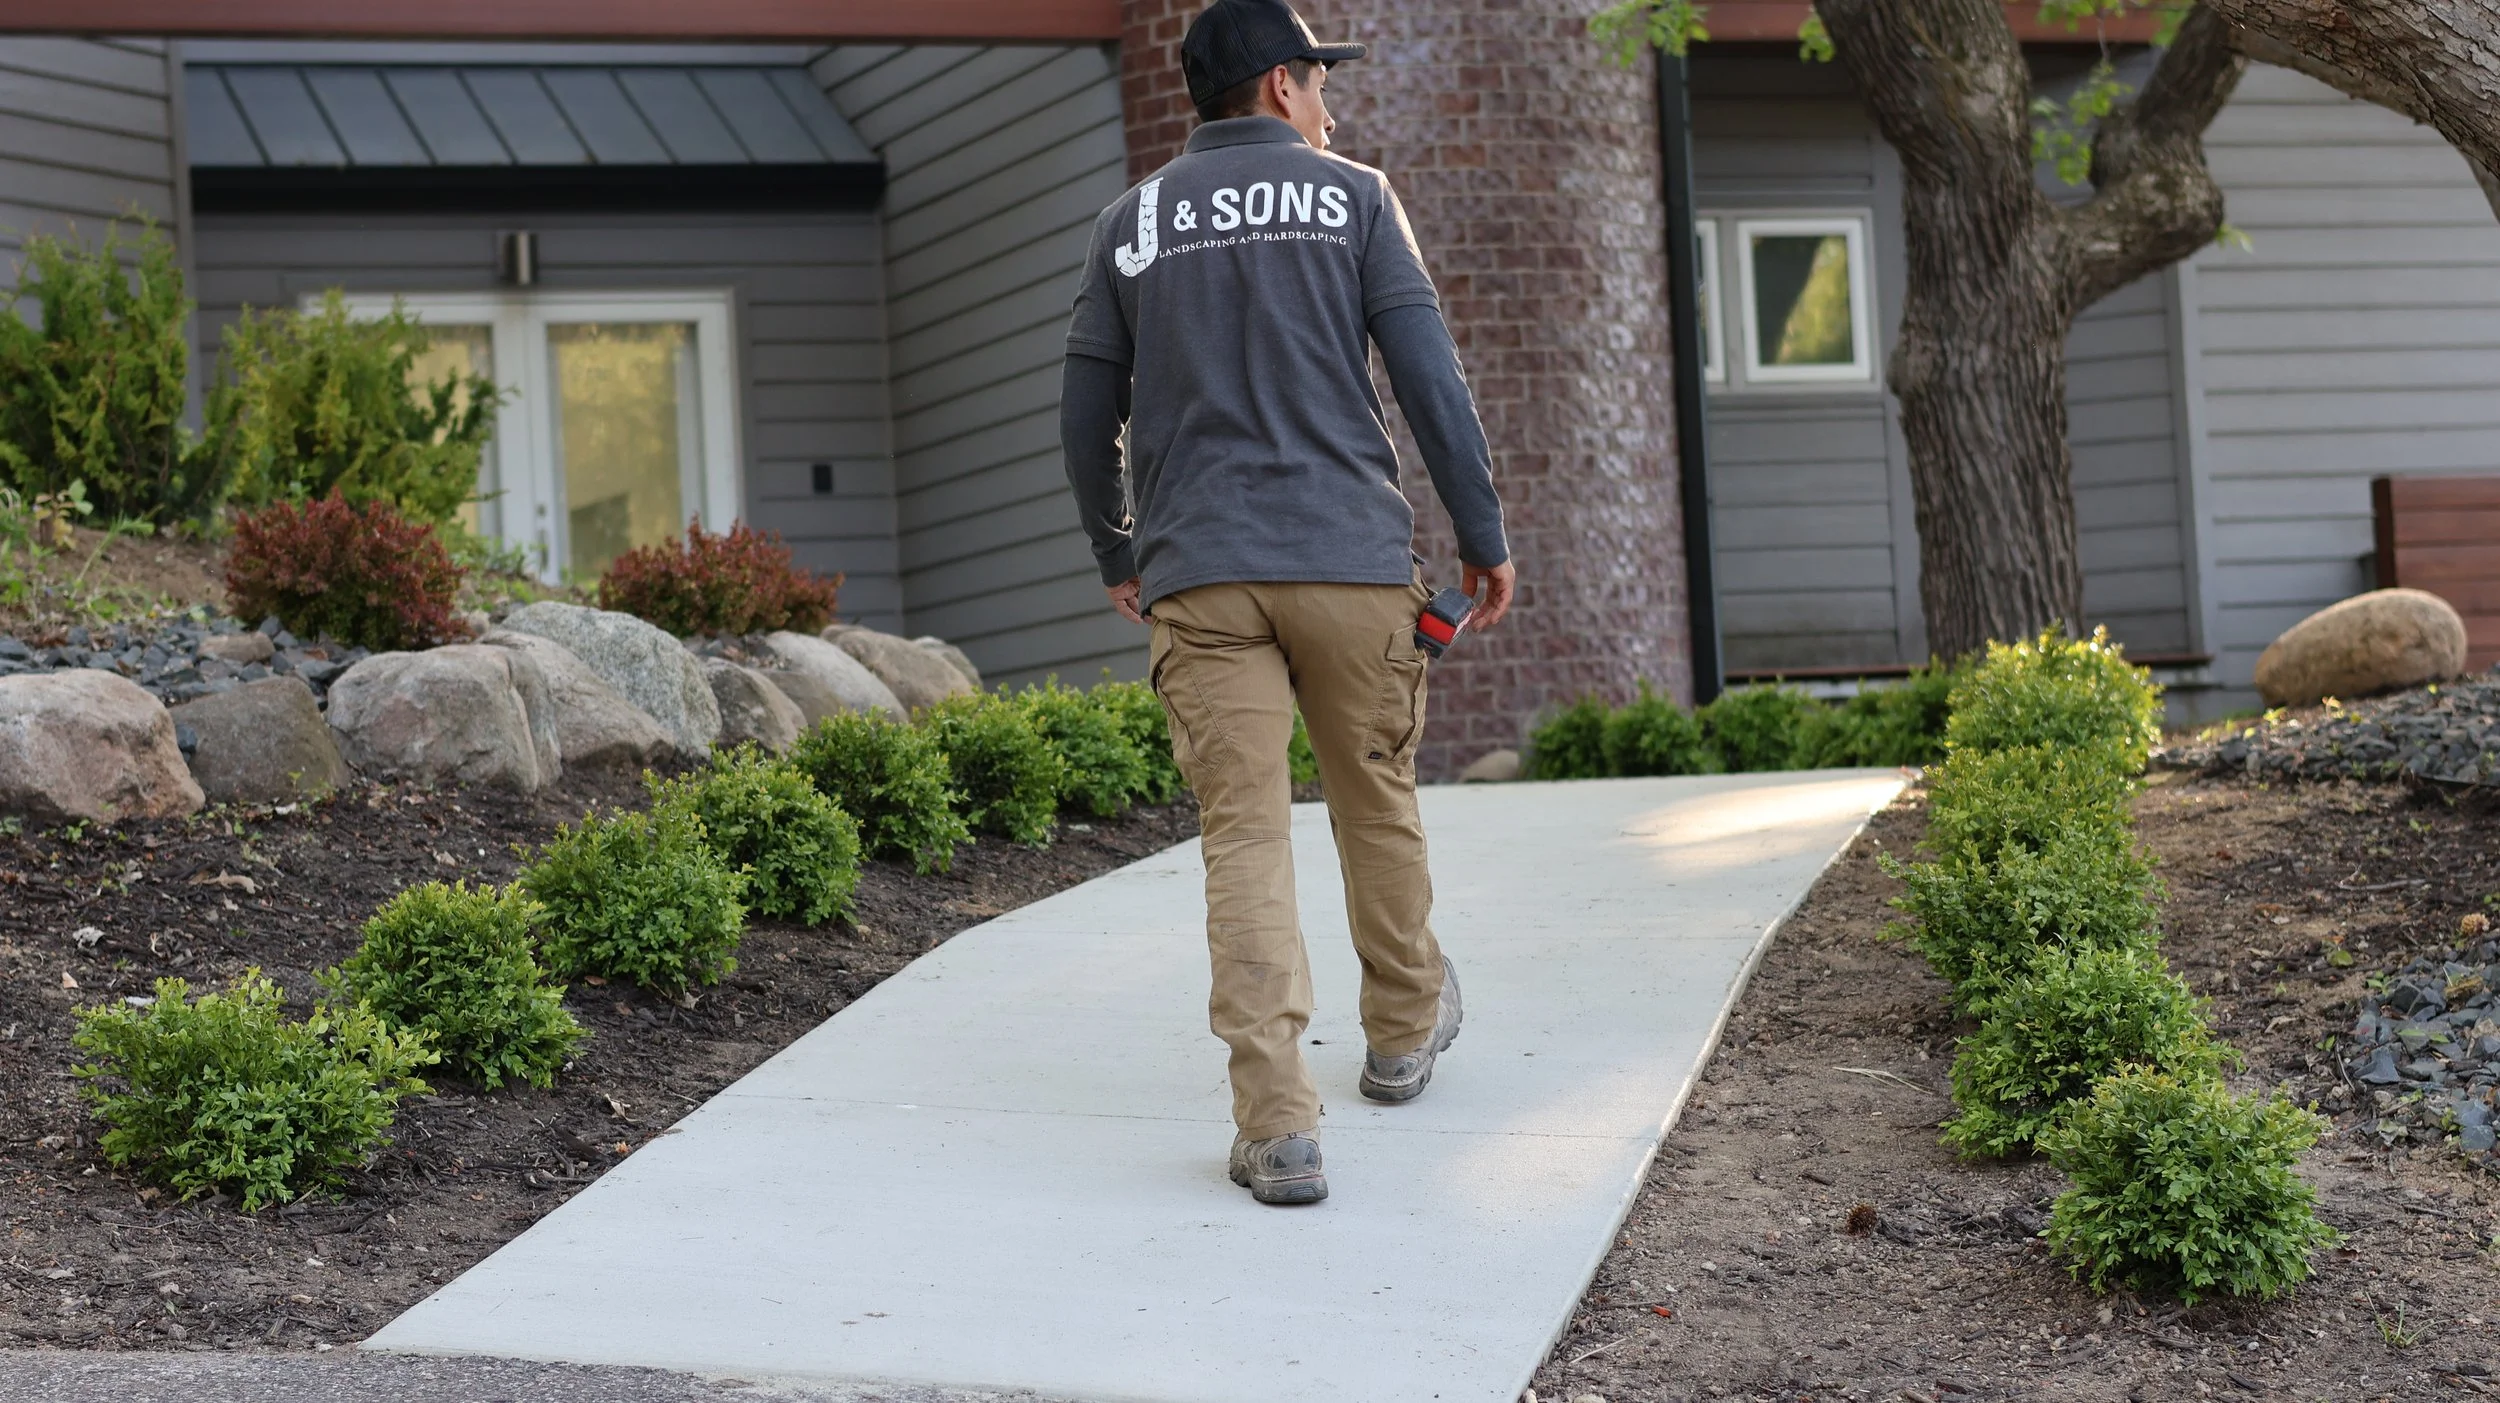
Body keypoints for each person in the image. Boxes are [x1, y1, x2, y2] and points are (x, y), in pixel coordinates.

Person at [1059, 0, 1515, 1206]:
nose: (1331, 101)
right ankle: (1405, 1030)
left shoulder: (1131, 221)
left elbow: (1083, 409)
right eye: (1320, 79)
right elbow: (1427, 373)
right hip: (1351, 562)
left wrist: (1118, 546)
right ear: (1275, 87)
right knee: (1374, 799)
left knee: (1245, 836)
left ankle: (1278, 1126)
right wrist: (1482, 532)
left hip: (1200, 573)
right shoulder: (1354, 196)